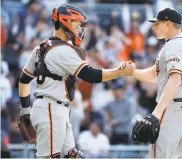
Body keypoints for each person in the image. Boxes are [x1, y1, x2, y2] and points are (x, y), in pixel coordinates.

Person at [18, 4, 135, 158]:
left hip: (54, 108)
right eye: (77, 24)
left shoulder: (41, 47)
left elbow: (24, 79)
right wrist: (119, 72)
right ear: (65, 21)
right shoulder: (63, 50)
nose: (80, 28)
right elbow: (90, 75)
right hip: (51, 109)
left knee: (73, 155)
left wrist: (26, 110)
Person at [120, 8, 182, 158]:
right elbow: (155, 75)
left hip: (175, 109)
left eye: (157, 23)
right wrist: (132, 72)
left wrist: (157, 112)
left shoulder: (173, 46)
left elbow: (175, 80)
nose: (153, 27)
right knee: (181, 156)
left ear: (168, 23)